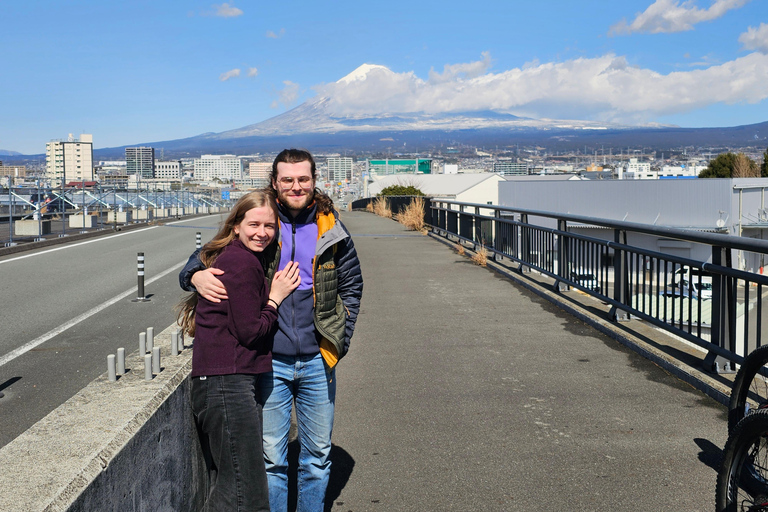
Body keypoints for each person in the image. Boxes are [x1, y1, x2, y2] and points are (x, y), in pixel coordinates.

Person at [180, 148, 363, 512]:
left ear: (314, 181)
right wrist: (194, 275)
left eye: (303, 179)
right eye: (288, 180)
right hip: (270, 359)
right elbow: (212, 254)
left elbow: (352, 285)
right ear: (275, 183)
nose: (296, 186)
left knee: (318, 456)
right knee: (271, 459)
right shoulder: (262, 221)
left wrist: (340, 338)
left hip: (318, 357)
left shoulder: (331, 228)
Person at [177, 190, 301, 512]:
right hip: (227, 383)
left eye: (269, 226)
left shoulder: (236, 256)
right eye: (254, 225)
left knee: (232, 490)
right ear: (236, 226)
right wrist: (275, 298)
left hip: (222, 381)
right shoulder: (242, 262)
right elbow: (251, 332)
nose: (262, 233)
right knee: (248, 495)